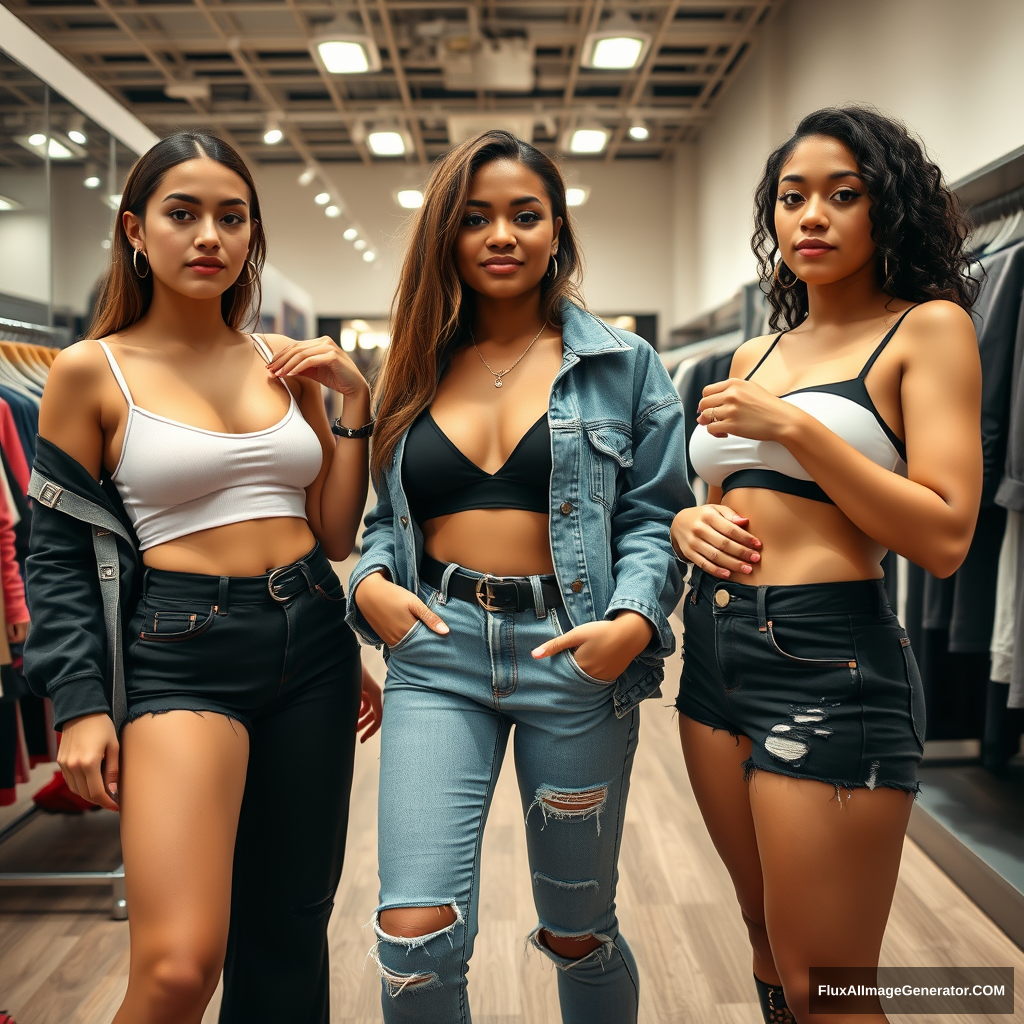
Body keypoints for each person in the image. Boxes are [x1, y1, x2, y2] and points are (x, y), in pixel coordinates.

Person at [24, 131, 382, 1024]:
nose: (209, 236)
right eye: (182, 214)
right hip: (182, 651)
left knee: (289, 938)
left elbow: (334, 533)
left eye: (232, 217)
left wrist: (356, 406)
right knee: (181, 966)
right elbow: (55, 554)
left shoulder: (280, 363)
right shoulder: (87, 371)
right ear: (136, 231)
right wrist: (78, 702)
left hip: (314, 641)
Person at [346, 130, 692, 1023]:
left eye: (524, 215)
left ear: (556, 230)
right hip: (436, 653)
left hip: (572, 657)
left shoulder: (624, 366)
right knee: (412, 931)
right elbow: (388, 523)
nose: (502, 234)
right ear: (446, 239)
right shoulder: (412, 368)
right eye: (475, 219)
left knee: (579, 930)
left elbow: (655, 515)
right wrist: (370, 584)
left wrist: (633, 624)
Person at [672, 106, 982, 1024]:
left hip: (829, 658)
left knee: (833, 984)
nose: (812, 216)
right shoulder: (753, 350)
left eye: (843, 196)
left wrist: (797, 425)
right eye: (792, 197)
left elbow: (945, 534)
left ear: (887, 210)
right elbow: (726, 492)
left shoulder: (929, 329)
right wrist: (694, 525)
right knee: (764, 936)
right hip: (715, 653)